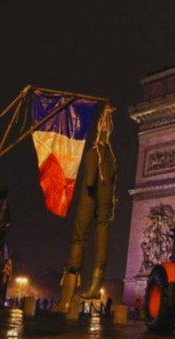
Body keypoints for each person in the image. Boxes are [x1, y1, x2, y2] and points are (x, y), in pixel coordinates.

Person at [53, 105, 117, 314]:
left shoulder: (94, 154)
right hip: (105, 205)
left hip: (89, 199)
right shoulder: (112, 160)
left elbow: (89, 182)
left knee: (79, 238)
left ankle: (66, 299)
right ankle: (95, 286)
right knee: (102, 230)